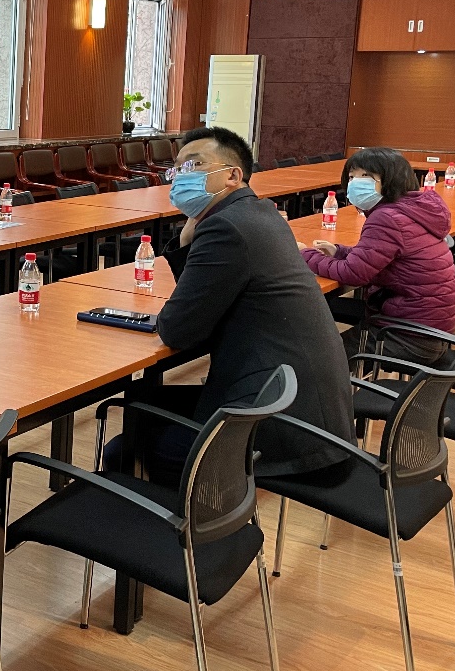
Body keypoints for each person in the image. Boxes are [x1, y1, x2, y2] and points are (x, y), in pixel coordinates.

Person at [111, 126, 355, 483]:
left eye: (194, 165)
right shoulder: (260, 214)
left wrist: (189, 240)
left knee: (127, 447)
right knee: (142, 404)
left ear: (233, 175)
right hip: (306, 410)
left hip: (284, 430)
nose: (181, 176)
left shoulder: (227, 227)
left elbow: (178, 329)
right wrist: (188, 237)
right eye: (177, 169)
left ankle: (177, 515)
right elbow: (205, 303)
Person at [298, 147, 455, 366]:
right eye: (351, 177)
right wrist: (339, 252)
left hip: (407, 337)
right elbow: (376, 257)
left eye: (366, 176)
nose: (355, 183)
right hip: (430, 331)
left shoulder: (387, 218)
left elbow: (353, 273)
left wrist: (303, 254)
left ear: (391, 180)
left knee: (314, 361)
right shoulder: (410, 210)